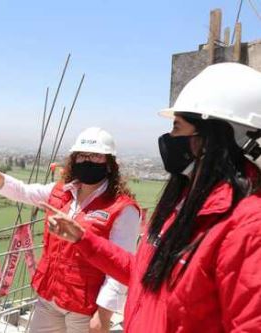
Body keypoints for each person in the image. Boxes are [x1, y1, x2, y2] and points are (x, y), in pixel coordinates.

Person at [45, 63, 261, 332]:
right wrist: (84, 239)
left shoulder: (247, 226)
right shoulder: (183, 203)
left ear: (216, 137)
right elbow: (144, 273)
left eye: (177, 127)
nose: (170, 138)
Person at [0, 127, 141, 333]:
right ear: (74, 159)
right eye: (82, 156)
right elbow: (24, 191)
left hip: (85, 307)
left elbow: (119, 266)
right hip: (50, 297)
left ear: (110, 163)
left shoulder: (122, 209)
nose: (88, 161)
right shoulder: (60, 192)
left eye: (96, 156)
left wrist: (103, 314)